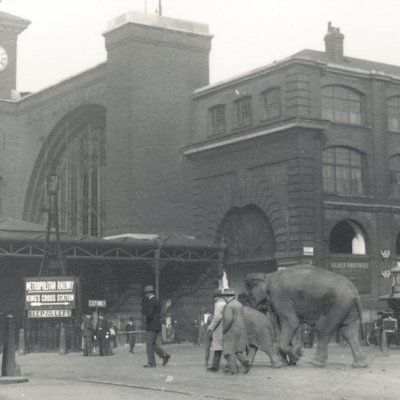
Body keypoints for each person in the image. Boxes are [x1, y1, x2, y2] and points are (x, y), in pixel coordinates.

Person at [221, 288, 250, 375]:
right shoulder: (239, 304)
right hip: (240, 330)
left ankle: (233, 370)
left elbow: (228, 320)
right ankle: (245, 362)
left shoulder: (229, 306)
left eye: (224, 297)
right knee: (237, 350)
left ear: (226, 296)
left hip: (231, 331)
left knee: (228, 352)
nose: (223, 298)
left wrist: (223, 330)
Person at [142, 284, 171, 368]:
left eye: (146, 294)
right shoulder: (157, 301)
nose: (145, 295)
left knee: (149, 344)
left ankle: (151, 362)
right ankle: (164, 355)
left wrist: (146, 317)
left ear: (148, 293)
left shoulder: (151, 301)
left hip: (152, 325)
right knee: (153, 343)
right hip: (157, 324)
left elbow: (150, 314)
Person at [207, 289, 225, 372]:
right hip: (224, 327)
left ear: (216, 297)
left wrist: (210, 327)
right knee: (219, 348)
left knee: (218, 347)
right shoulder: (224, 303)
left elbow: (217, 317)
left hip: (219, 328)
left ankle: (215, 366)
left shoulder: (218, 304)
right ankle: (215, 366)